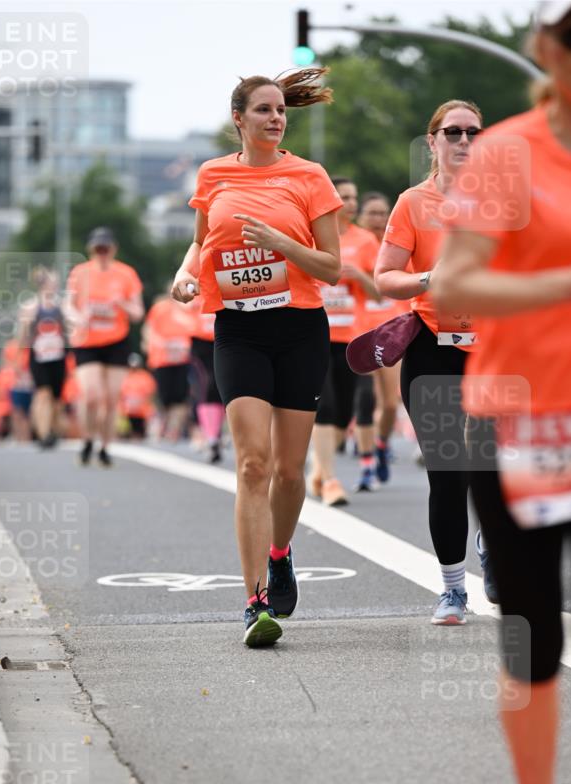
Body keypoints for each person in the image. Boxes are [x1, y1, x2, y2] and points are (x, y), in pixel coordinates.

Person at [433, 0, 571, 784]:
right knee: (531, 640)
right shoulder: (505, 151)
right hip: (510, 420)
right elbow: (454, 282)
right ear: (546, 47)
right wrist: (567, 285)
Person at [172, 68, 342, 647]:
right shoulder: (213, 174)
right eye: (263, 110)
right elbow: (200, 241)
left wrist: (282, 244)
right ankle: (253, 602)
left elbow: (331, 267)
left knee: (292, 472)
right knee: (253, 465)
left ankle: (280, 552)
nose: (275, 118)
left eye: (281, 110)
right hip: (238, 331)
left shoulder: (309, 176)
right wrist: (185, 274)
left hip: (299, 329)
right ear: (239, 119)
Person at [375, 98, 497, 625]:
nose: (464, 142)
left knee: (495, 470)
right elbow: (385, 276)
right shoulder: (412, 203)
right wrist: (429, 279)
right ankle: (452, 591)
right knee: (448, 472)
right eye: (453, 132)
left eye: (473, 132)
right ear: (433, 142)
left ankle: (491, 543)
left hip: (498, 352)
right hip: (433, 349)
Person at [311, 176, 381, 503]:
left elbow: (380, 293)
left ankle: (319, 470)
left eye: (354, 197)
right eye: (345, 196)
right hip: (314, 335)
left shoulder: (366, 241)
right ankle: (330, 480)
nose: (352, 203)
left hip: (352, 340)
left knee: (342, 415)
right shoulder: (310, 236)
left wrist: (359, 275)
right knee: (323, 406)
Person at [65, 228, 144, 467]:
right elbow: (67, 306)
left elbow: (138, 313)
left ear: (113, 249)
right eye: (97, 249)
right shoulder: (81, 273)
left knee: (110, 399)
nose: (101, 253)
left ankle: (106, 446)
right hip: (87, 342)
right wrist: (78, 318)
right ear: (91, 250)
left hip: (116, 341)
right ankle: (88, 438)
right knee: (91, 396)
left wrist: (122, 304)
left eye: (105, 248)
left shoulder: (126, 274)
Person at [358, 192, 407, 483]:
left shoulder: (399, 245)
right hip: (361, 332)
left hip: (392, 332)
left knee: (390, 404)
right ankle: (366, 466)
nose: (378, 219)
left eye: (382, 213)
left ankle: (381, 444)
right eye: (372, 213)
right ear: (361, 216)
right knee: (364, 399)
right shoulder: (353, 244)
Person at [17, 267, 68, 448]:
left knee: (56, 399)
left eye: (55, 283)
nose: (54, 286)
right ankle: (43, 433)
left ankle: (52, 430)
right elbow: (22, 340)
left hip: (58, 356)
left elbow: (69, 332)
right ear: (42, 284)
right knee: (42, 394)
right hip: (38, 356)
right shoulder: (30, 306)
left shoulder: (61, 305)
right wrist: (26, 324)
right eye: (51, 283)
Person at [142, 290, 194, 442]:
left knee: (181, 396)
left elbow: (195, 330)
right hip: (162, 359)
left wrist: (186, 347)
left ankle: (173, 429)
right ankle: (161, 424)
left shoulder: (189, 310)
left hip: (183, 360)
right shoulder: (160, 308)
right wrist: (161, 344)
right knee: (163, 397)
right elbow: (149, 330)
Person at [187, 302, 226, 462]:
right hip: (201, 341)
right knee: (206, 386)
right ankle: (211, 438)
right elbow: (179, 304)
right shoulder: (193, 278)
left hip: (226, 334)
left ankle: (215, 435)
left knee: (222, 387)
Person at [119, 353, 156, 440]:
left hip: (141, 411)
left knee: (140, 433)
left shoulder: (145, 376)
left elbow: (150, 393)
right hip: (126, 412)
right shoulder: (124, 376)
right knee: (125, 430)